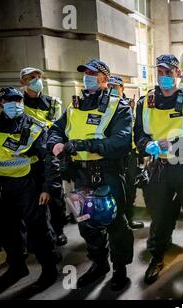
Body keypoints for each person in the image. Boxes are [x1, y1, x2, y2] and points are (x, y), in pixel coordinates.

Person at [47, 59, 134, 291]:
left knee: (115, 224)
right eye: (84, 72)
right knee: (86, 224)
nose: (86, 76)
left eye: (92, 73)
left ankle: (120, 269)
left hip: (107, 173)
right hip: (80, 175)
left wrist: (83, 145)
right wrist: (56, 142)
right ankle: (99, 264)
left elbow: (121, 142)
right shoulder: (75, 105)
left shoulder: (119, 106)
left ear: (104, 78)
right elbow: (55, 129)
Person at [134, 54, 183, 284]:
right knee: (159, 217)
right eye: (160, 72)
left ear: (178, 74)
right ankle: (157, 257)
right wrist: (145, 145)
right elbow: (139, 134)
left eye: (169, 72)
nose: (164, 76)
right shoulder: (144, 102)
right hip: (158, 168)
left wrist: (173, 145)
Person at [0, 87, 59, 295]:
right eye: (9, 100)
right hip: (4, 186)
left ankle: (49, 271)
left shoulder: (34, 127)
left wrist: (47, 188)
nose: (14, 104)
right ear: (1, 104)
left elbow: (49, 159)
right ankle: (17, 267)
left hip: (30, 184)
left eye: (17, 100)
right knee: (9, 230)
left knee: (38, 229)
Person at [19, 67, 68, 246]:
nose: (37, 80)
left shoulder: (52, 103)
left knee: (55, 194)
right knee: (34, 198)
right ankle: (39, 234)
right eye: (32, 77)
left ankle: (59, 230)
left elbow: (58, 128)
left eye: (39, 76)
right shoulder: (18, 105)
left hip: (50, 155)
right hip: (29, 159)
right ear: (22, 82)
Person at [108, 75, 144, 229]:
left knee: (130, 187)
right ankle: (113, 221)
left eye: (115, 87)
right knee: (113, 189)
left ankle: (128, 219)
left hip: (130, 153)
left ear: (122, 88)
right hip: (113, 154)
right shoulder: (105, 106)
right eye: (109, 87)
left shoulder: (130, 104)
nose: (112, 90)